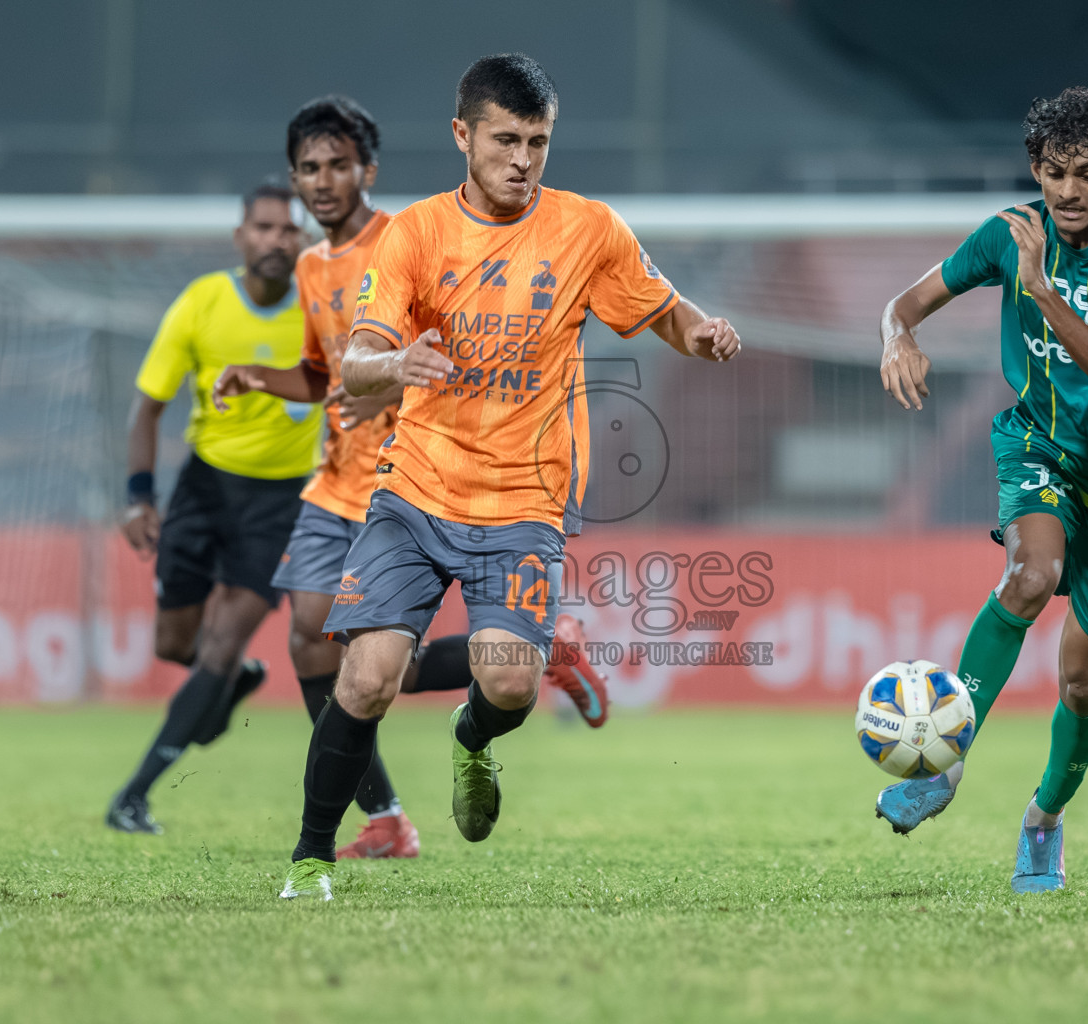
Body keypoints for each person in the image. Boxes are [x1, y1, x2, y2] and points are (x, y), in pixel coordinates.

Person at [275, 53, 741, 900]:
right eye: (504, 141)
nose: (522, 160)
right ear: (462, 135)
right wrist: (396, 363)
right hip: (414, 491)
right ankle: (309, 860)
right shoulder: (415, 232)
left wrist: (702, 334)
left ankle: (472, 736)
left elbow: (664, 310)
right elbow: (358, 358)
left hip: (525, 501)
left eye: (537, 142)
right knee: (368, 677)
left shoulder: (587, 229)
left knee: (509, 683)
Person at [214, 96, 613, 859]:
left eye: (338, 166)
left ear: (367, 171)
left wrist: (390, 381)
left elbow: (461, 361)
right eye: (309, 168)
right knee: (313, 645)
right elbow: (324, 372)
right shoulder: (311, 265)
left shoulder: (413, 239)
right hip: (338, 480)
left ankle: (519, 671)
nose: (323, 181)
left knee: (359, 661)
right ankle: (387, 815)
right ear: (294, 179)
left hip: (413, 478)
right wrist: (260, 377)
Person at [875, 87, 1088, 893]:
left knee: (1082, 681)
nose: (1066, 191)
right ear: (1035, 172)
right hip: (1037, 445)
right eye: (1052, 172)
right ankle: (942, 764)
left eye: (1087, 174)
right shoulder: (1007, 234)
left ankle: (1043, 818)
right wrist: (896, 338)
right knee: (1027, 576)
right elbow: (903, 305)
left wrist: (1042, 289)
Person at [106, 183, 317, 834]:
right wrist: (138, 497)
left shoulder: (321, 306)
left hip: (281, 500)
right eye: (264, 227)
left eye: (288, 229)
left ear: (303, 239)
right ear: (240, 237)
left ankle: (133, 796)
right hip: (203, 489)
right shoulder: (202, 302)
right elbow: (148, 408)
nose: (276, 239)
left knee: (220, 646)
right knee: (176, 645)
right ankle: (229, 682)